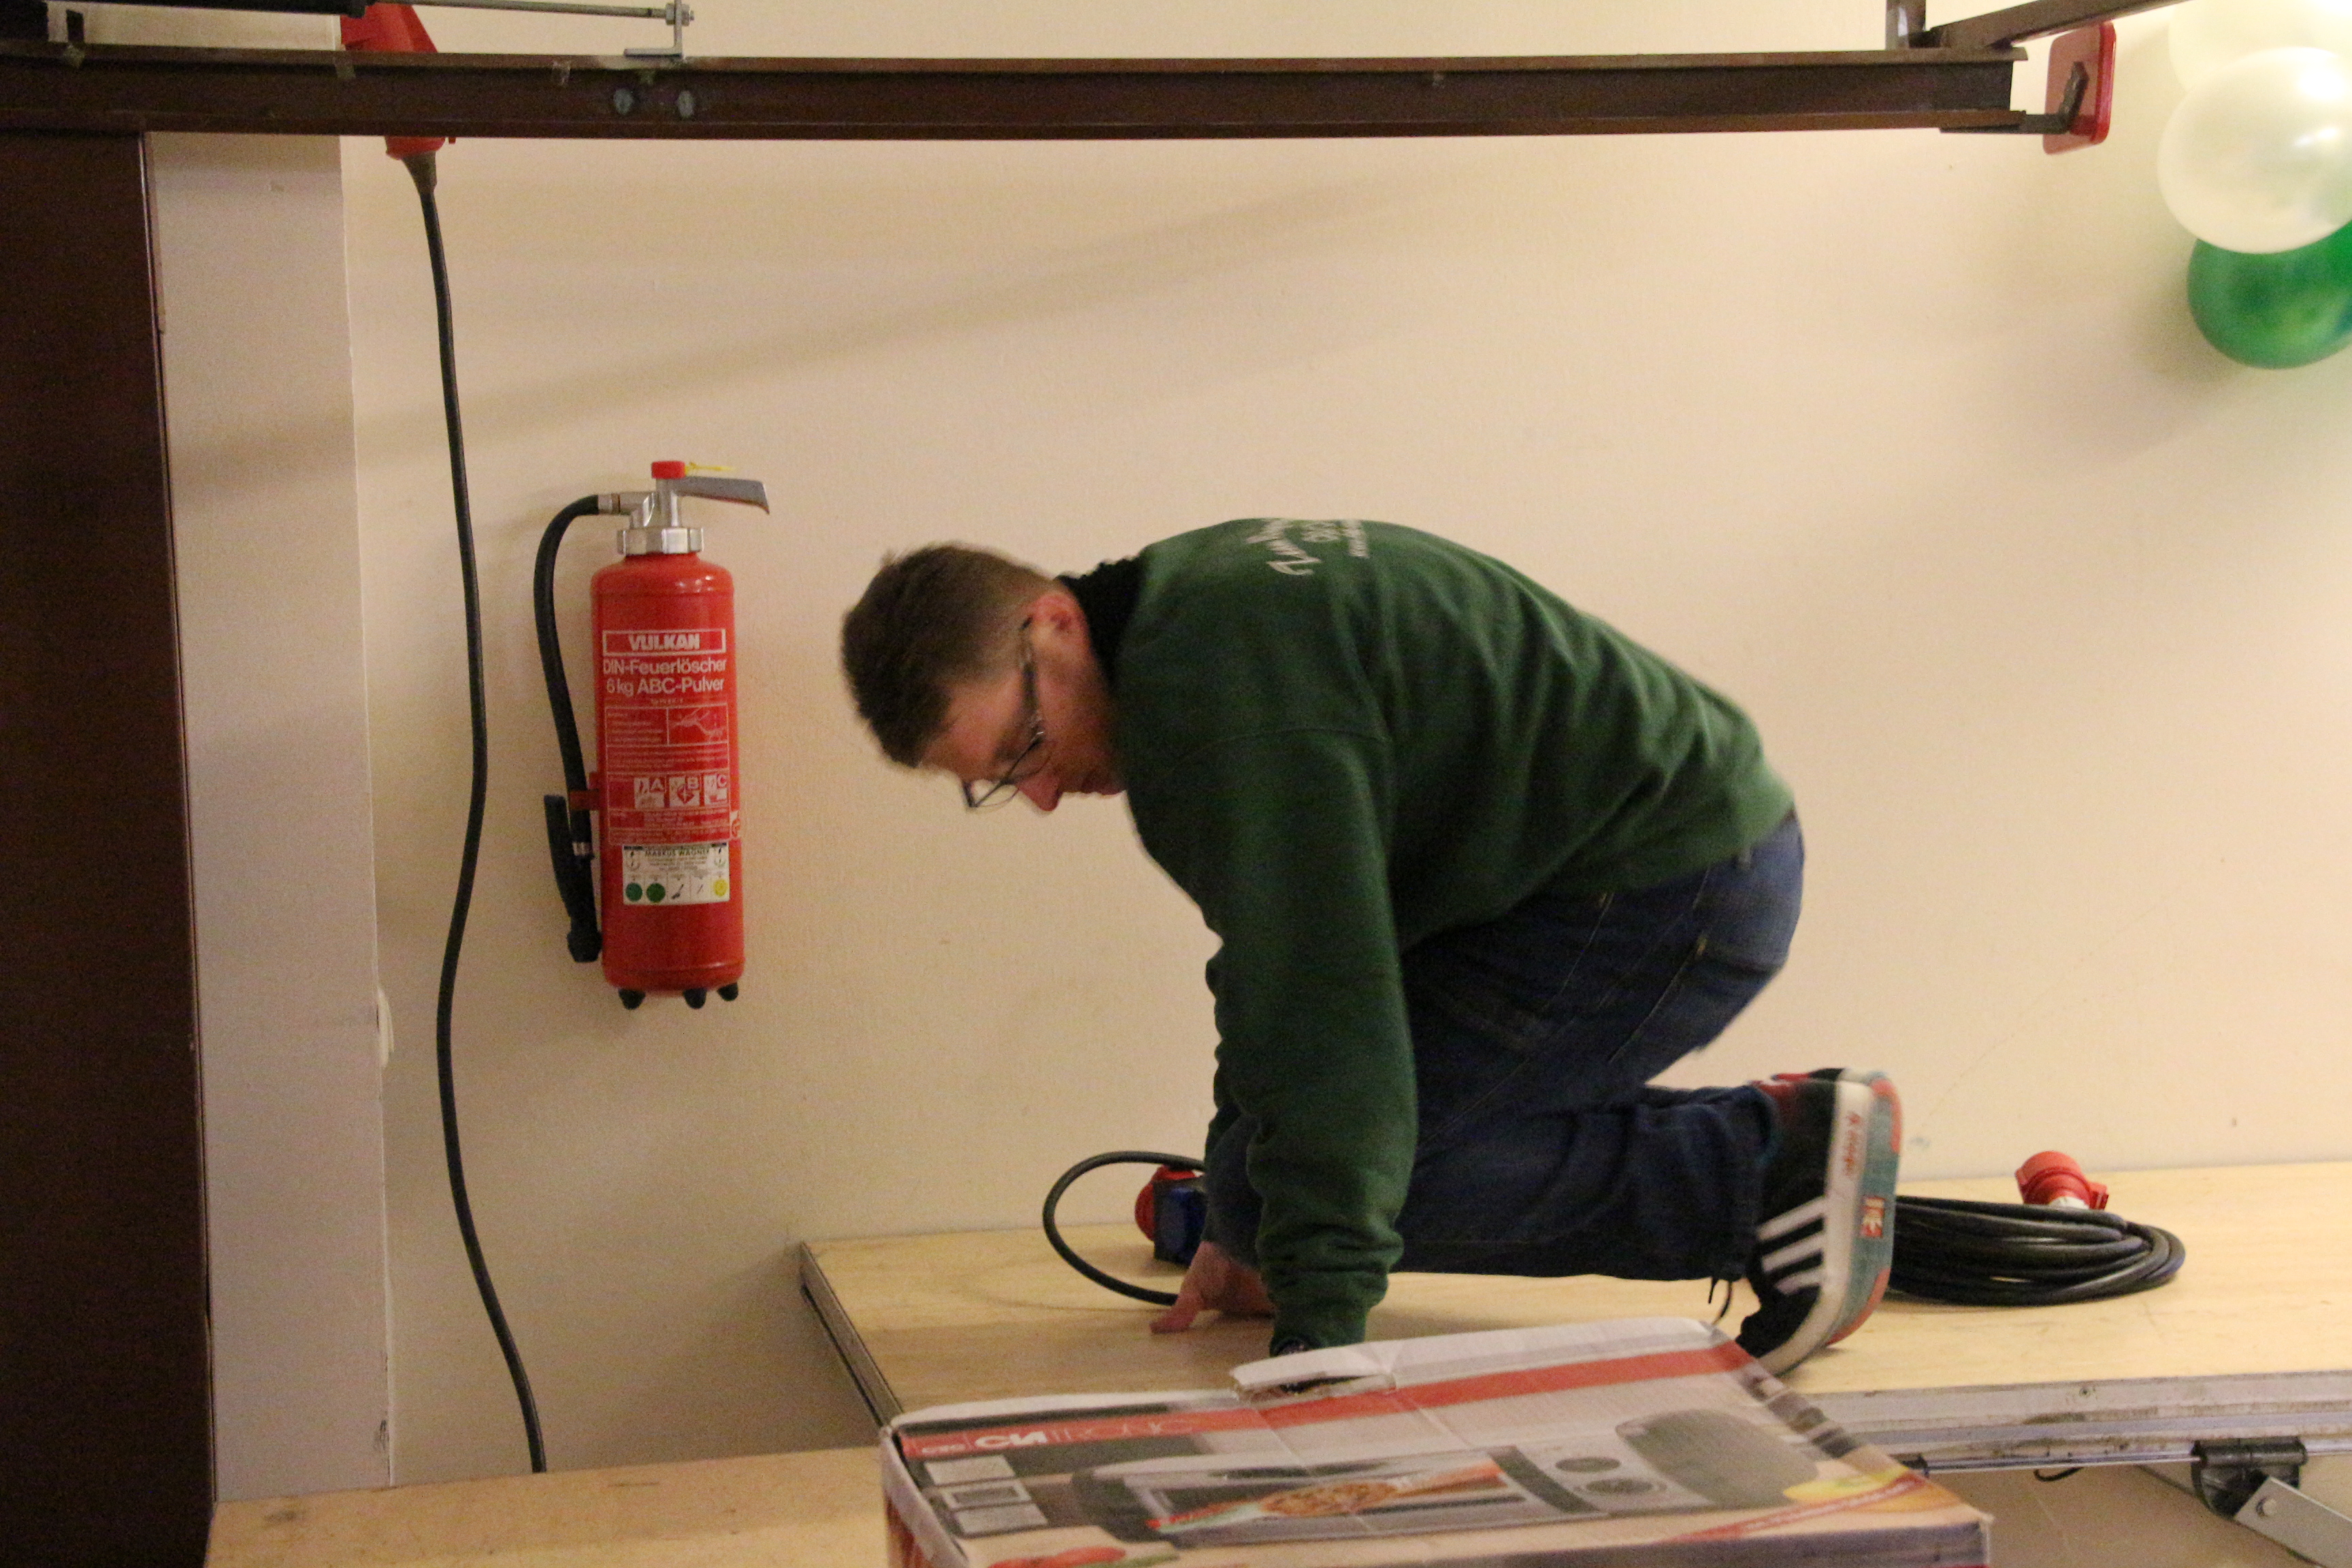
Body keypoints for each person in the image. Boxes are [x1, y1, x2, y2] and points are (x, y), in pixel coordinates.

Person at [839, 517, 1899, 1374]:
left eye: (1024, 745)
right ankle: (1776, 1150)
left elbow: (1326, 1009)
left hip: (1672, 880)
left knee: (1359, 1182)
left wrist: (1319, 1345)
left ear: (1056, 624)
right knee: (1259, 1195)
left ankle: (1761, 1171)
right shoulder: (1182, 622)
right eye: (996, 782)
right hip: (1582, 875)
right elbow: (1274, 974)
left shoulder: (1216, 700)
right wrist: (1242, 1227)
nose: (1038, 795)